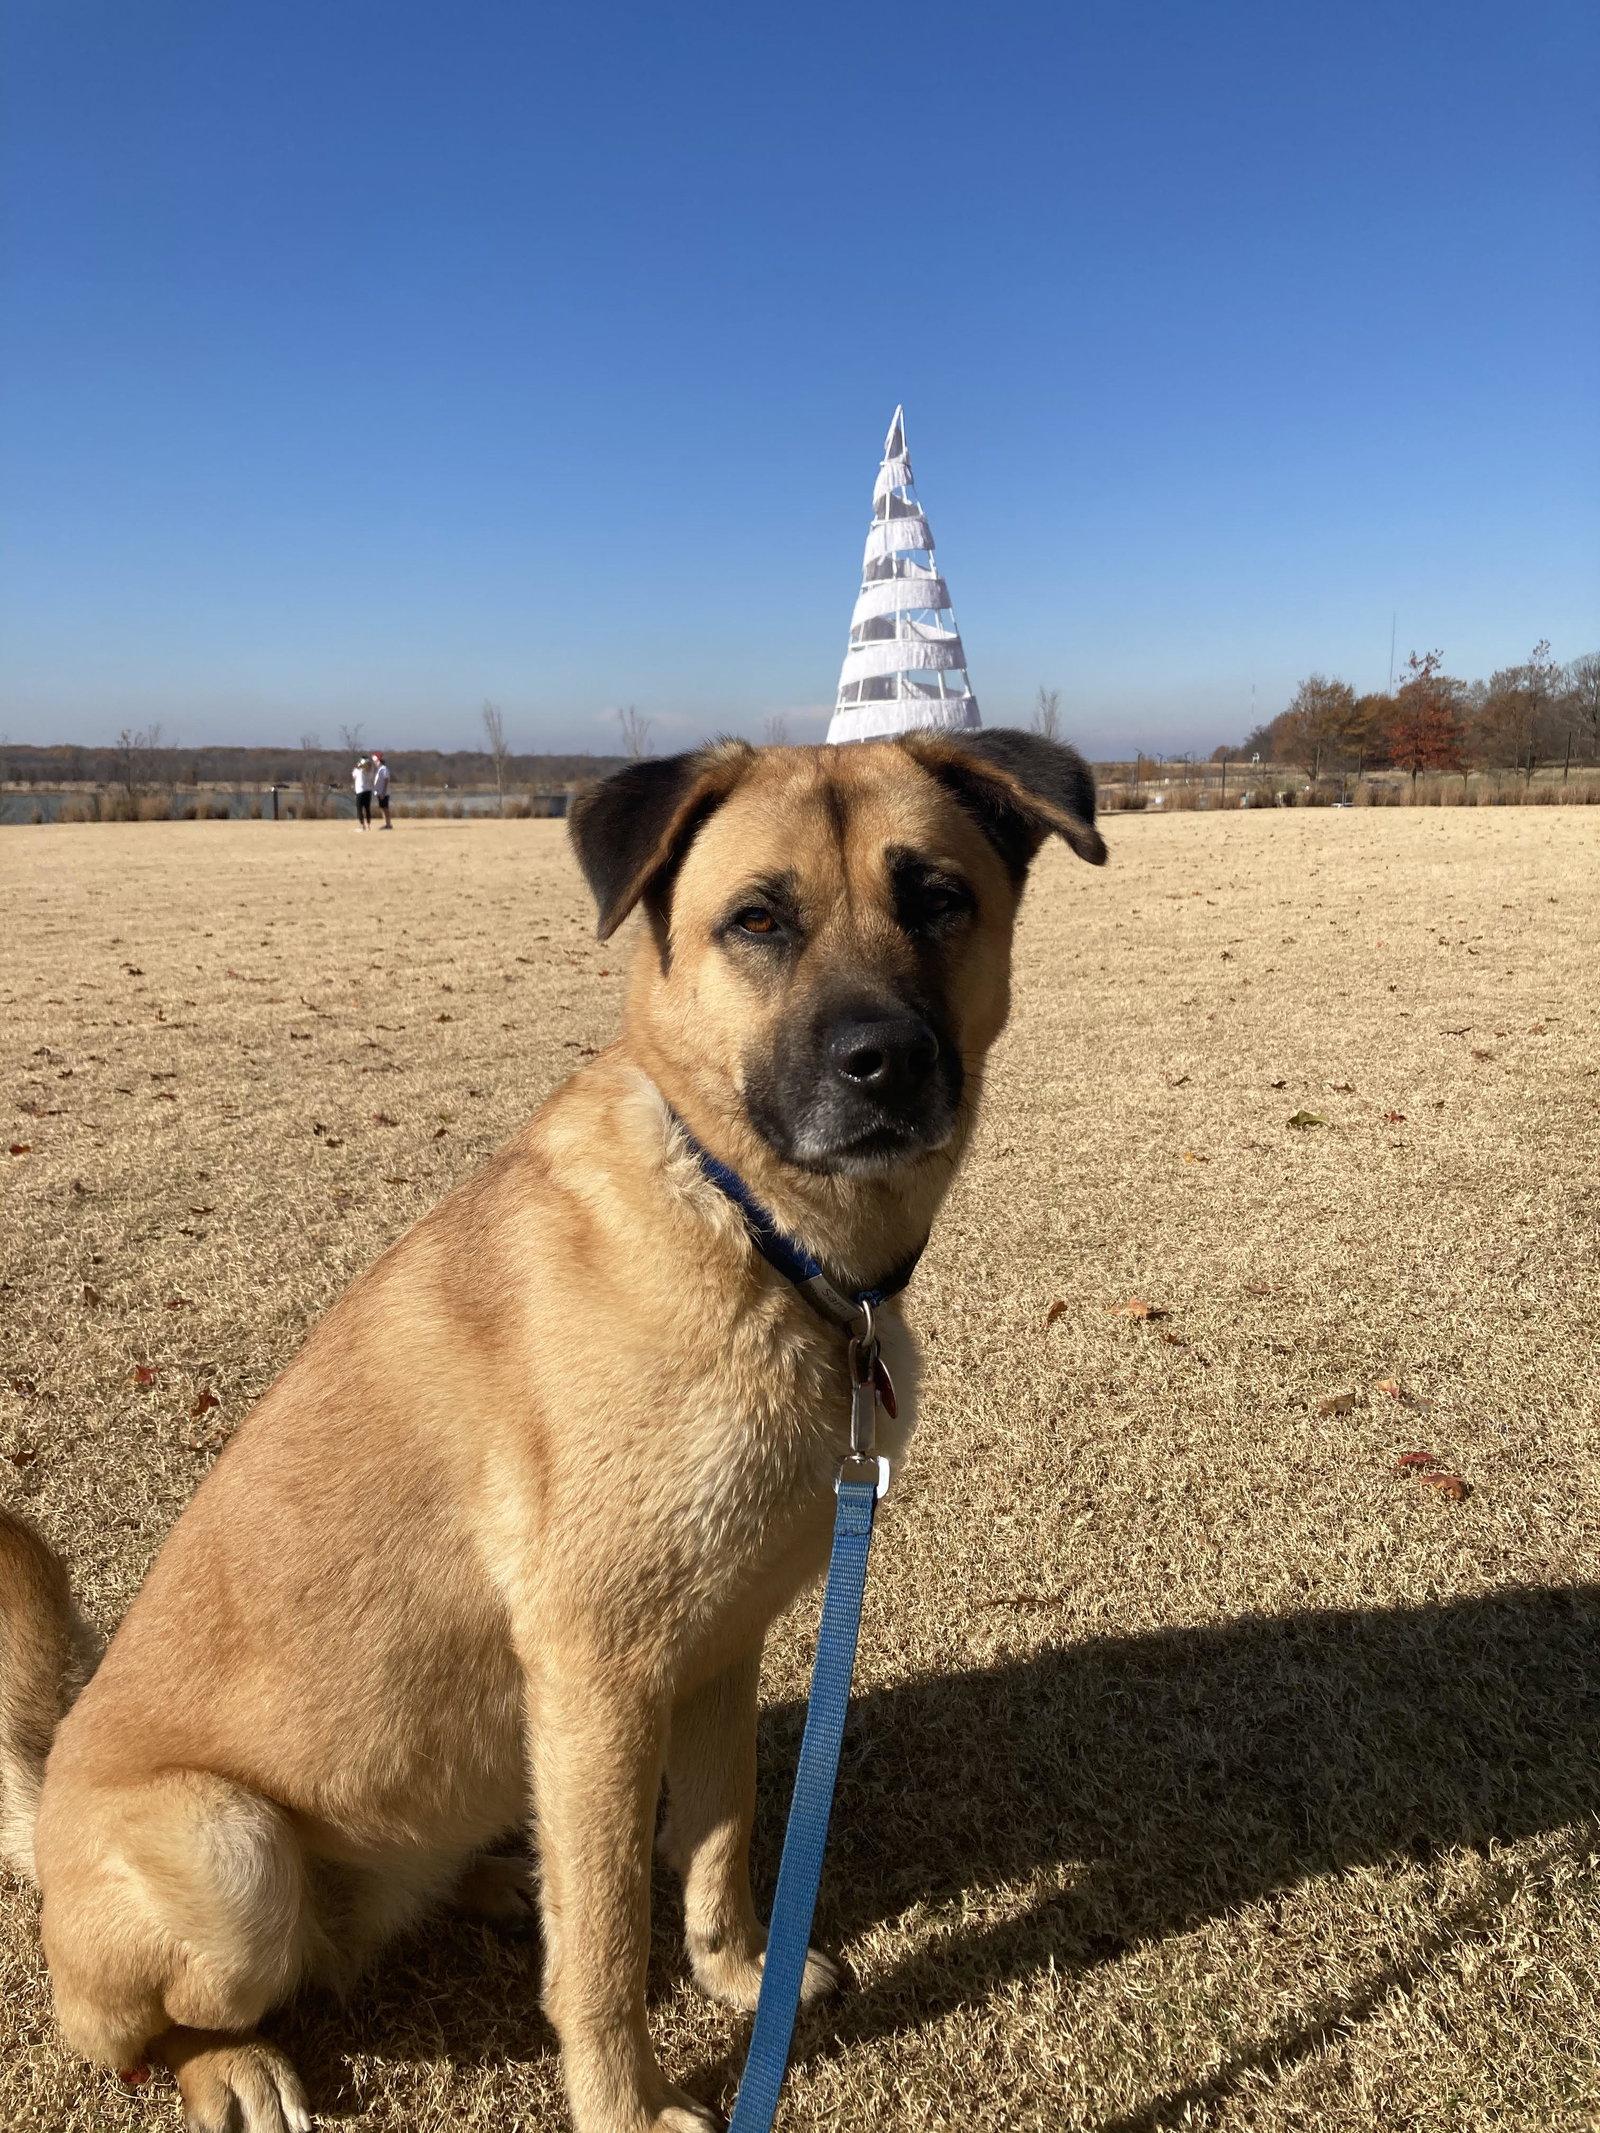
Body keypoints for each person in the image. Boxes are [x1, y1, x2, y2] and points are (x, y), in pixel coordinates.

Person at [352, 755, 374, 830]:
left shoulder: (357, 770)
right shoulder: (371, 770)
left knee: (359, 808)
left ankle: (362, 825)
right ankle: (368, 825)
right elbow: (371, 777)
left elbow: (354, 776)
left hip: (360, 791)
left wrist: (358, 766)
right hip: (368, 791)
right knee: (367, 808)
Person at [372, 751, 392, 828]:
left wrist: (383, 792)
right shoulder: (379, 769)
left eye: (376, 761)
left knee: (385, 808)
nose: (375, 763)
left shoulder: (384, 769)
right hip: (379, 792)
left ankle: (388, 824)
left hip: (384, 793)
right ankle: (386, 823)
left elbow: (386, 780)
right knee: (382, 808)